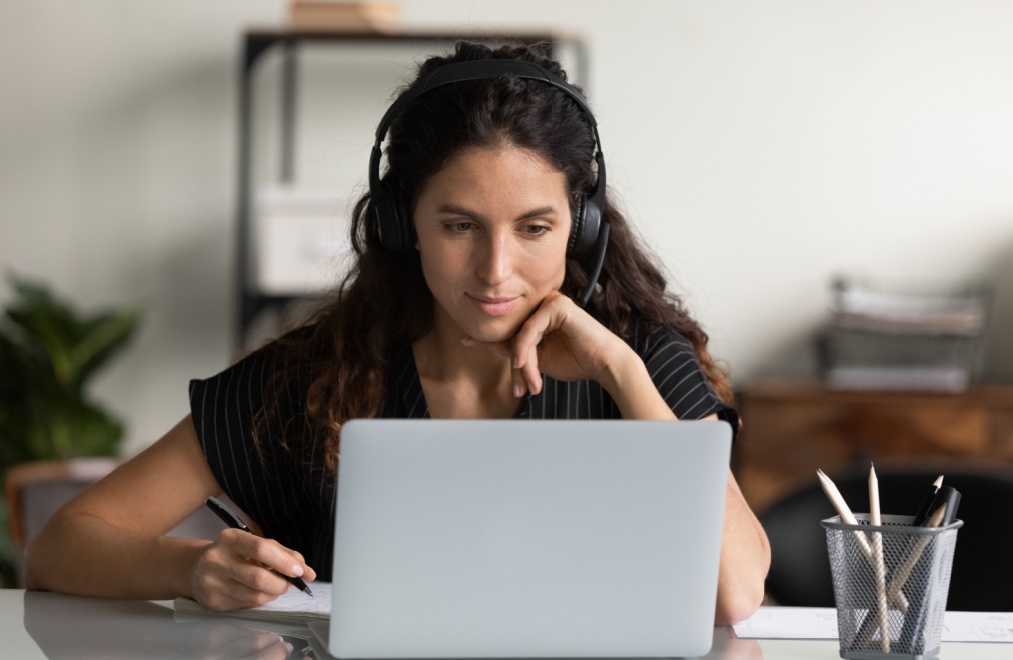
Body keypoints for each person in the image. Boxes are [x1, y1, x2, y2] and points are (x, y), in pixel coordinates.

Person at [25, 42, 770, 625]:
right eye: (458, 226)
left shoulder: (636, 358)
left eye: (535, 228)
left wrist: (619, 370)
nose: (496, 270)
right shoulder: (316, 376)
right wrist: (185, 568)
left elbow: (735, 593)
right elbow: (61, 545)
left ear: (582, 227)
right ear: (400, 222)